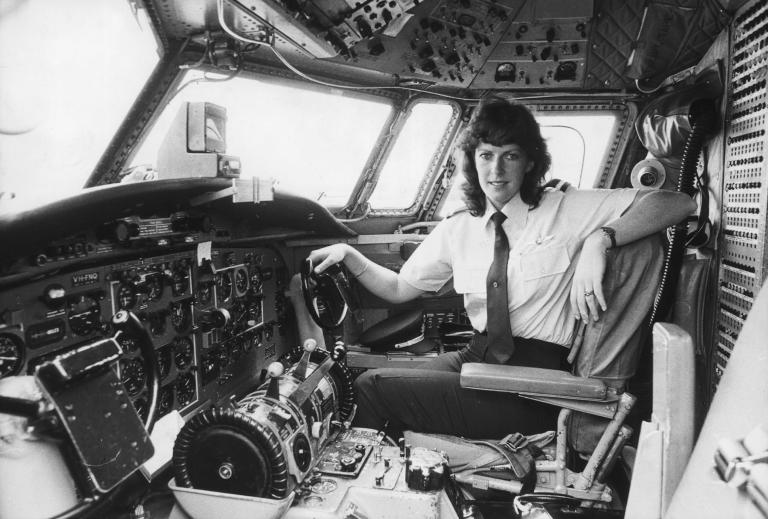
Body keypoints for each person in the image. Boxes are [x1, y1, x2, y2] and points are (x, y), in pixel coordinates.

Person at [308, 96, 696, 439]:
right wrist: (351, 254)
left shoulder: (566, 209)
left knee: (374, 388)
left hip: (534, 383)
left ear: (529, 162)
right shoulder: (458, 227)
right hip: (476, 358)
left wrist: (601, 239)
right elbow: (398, 289)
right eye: (486, 155)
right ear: (472, 160)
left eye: (510, 155)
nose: (496, 169)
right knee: (359, 382)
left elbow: (677, 203)